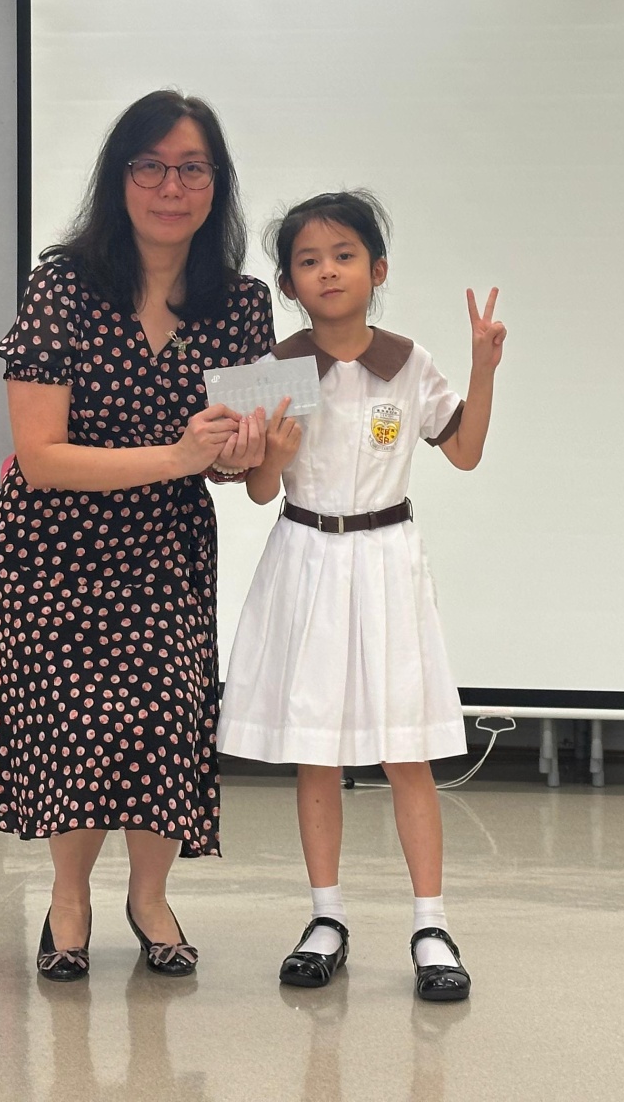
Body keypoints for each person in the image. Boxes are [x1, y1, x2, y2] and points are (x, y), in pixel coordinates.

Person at [0, 90, 276, 982]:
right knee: (77, 727)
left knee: (165, 720)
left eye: (192, 168)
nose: (171, 186)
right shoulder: (64, 286)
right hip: (52, 550)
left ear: (216, 184)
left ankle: (150, 897)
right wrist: (178, 457)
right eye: (151, 166)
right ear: (120, 177)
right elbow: (41, 458)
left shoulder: (241, 303)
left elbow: (240, 466)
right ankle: (70, 901)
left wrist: (244, 455)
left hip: (164, 551)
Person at [216, 190, 506, 1003]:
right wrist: (273, 454)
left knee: (405, 749)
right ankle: (326, 917)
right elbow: (259, 489)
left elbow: (465, 452)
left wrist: (482, 371)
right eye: (308, 261)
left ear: (377, 269)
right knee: (317, 750)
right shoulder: (275, 371)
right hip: (306, 557)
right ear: (288, 284)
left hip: (386, 560)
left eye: (344, 255)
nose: (328, 271)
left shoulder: (409, 363)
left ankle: (431, 925)